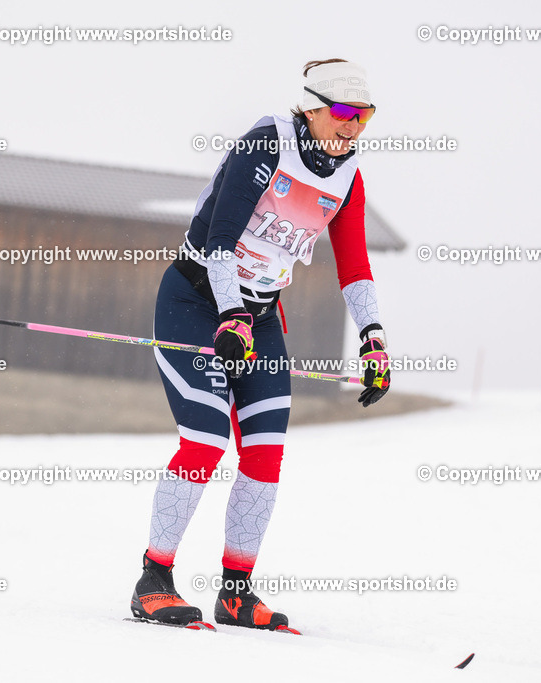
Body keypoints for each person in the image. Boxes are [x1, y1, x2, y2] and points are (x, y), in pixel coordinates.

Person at [130, 59, 391, 630]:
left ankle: (236, 592)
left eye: (364, 117)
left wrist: (373, 339)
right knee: (204, 439)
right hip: (197, 301)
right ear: (312, 107)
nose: (353, 128)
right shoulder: (267, 143)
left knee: (266, 453)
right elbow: (221, 238)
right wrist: (229, 315)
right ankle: (154, 578)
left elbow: (355, 266)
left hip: (261, 316)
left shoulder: (347, 177)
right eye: (344, 114)